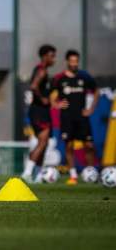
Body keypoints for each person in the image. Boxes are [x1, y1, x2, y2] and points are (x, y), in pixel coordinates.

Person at [51, 50, 99, 185]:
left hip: (82, 117)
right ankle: (73, 175)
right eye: (72, 61)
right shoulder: (59, 78)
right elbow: (51, 96)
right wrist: (57, 104)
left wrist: (91, 109)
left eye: (76, 61)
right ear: (67, 61)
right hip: (67, 118)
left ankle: (91, 173)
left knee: (89, 145)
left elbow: (96, 91)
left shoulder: (84, 76)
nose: (74, 63)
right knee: (69, 145)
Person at [21, 44, 56, 183]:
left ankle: (38, 175)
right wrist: (43, 98)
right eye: (52, 56)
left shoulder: (43, 70)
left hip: (39, 112)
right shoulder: (41, 71)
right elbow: (34, 86)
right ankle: (27, 173)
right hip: (39, 111)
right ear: (45, 56)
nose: (54, 59)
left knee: (44, 143)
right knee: (42, 142)